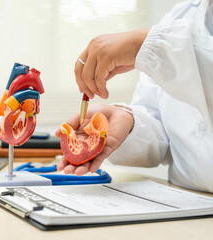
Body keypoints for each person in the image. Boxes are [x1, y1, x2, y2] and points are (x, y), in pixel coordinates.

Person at [56, 0, 213, 193]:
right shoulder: (180, 14)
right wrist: (128, 121)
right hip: (185, 201)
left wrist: (150, 45)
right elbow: (161, 123)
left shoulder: (167, 30)